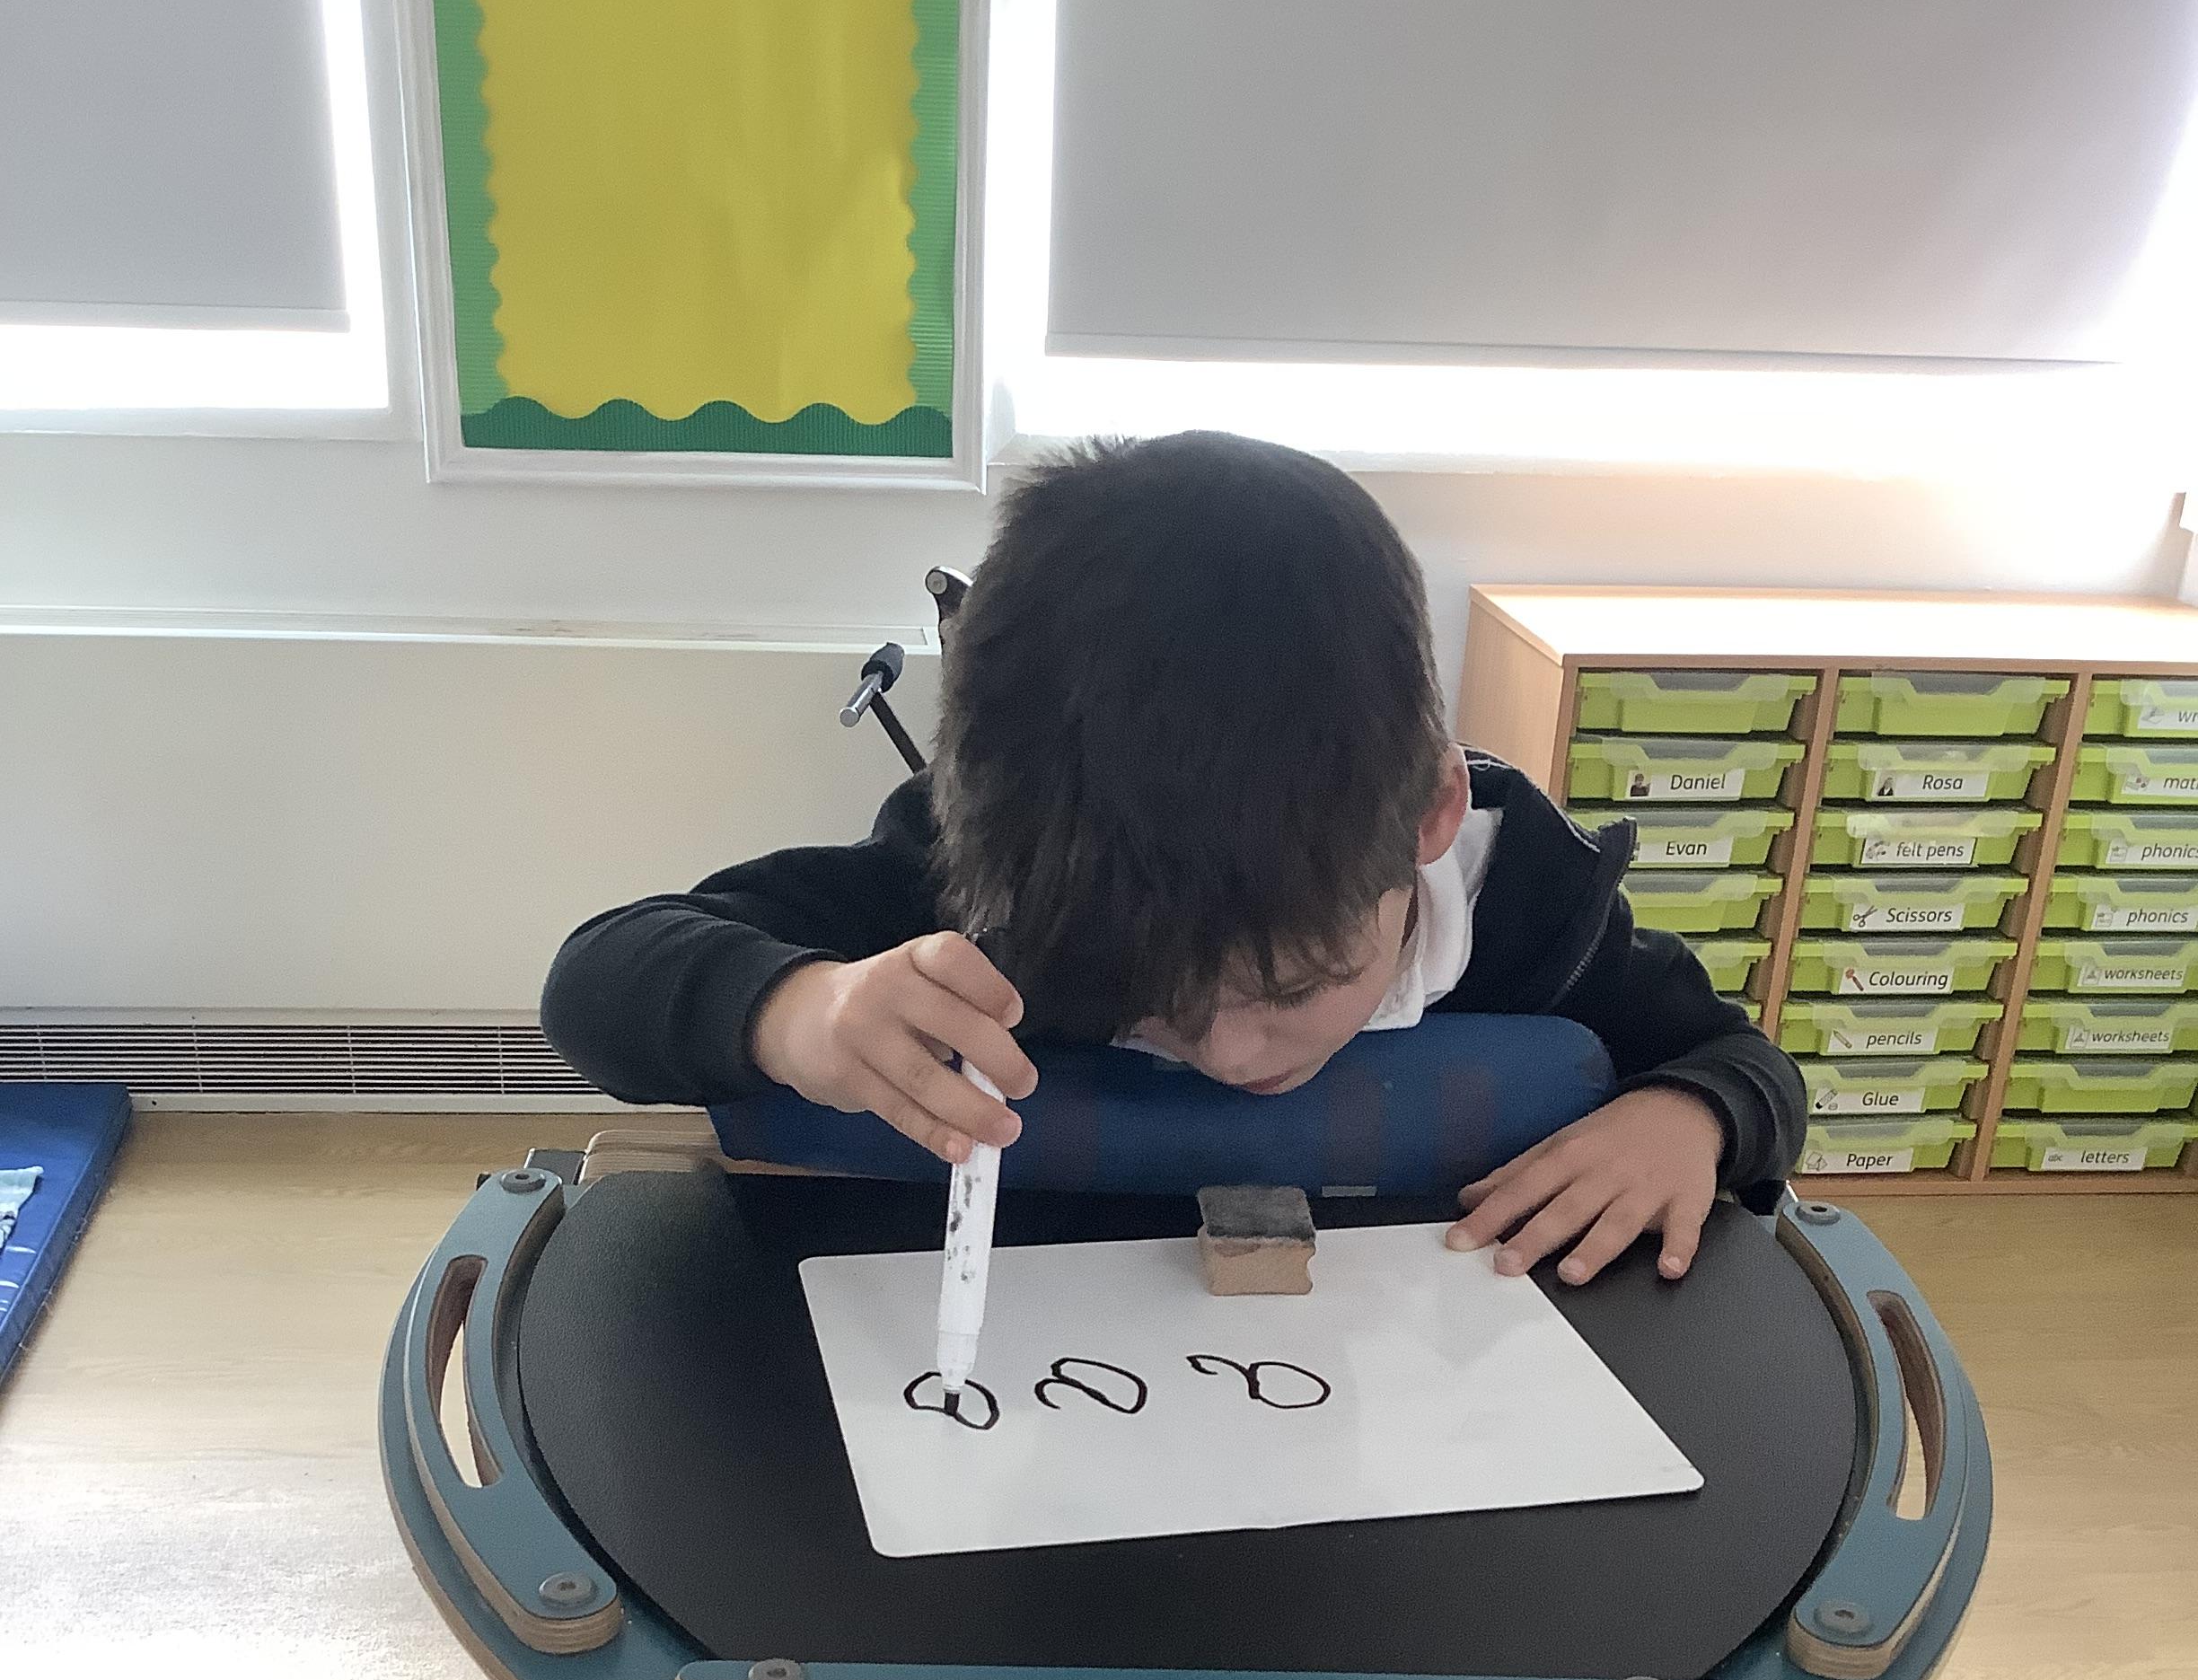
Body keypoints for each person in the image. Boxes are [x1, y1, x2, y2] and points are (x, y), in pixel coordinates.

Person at [543, 430, 1804, 1285]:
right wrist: (800, 1009)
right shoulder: (1003, 885)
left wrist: (1691, 1115)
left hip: (1402, 1393)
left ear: (1429, 816)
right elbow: (600, 979)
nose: (1232, 1056)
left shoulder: (1530, 907)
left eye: (1295, 986)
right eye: (1152, 1000)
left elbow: (1744, 1064)